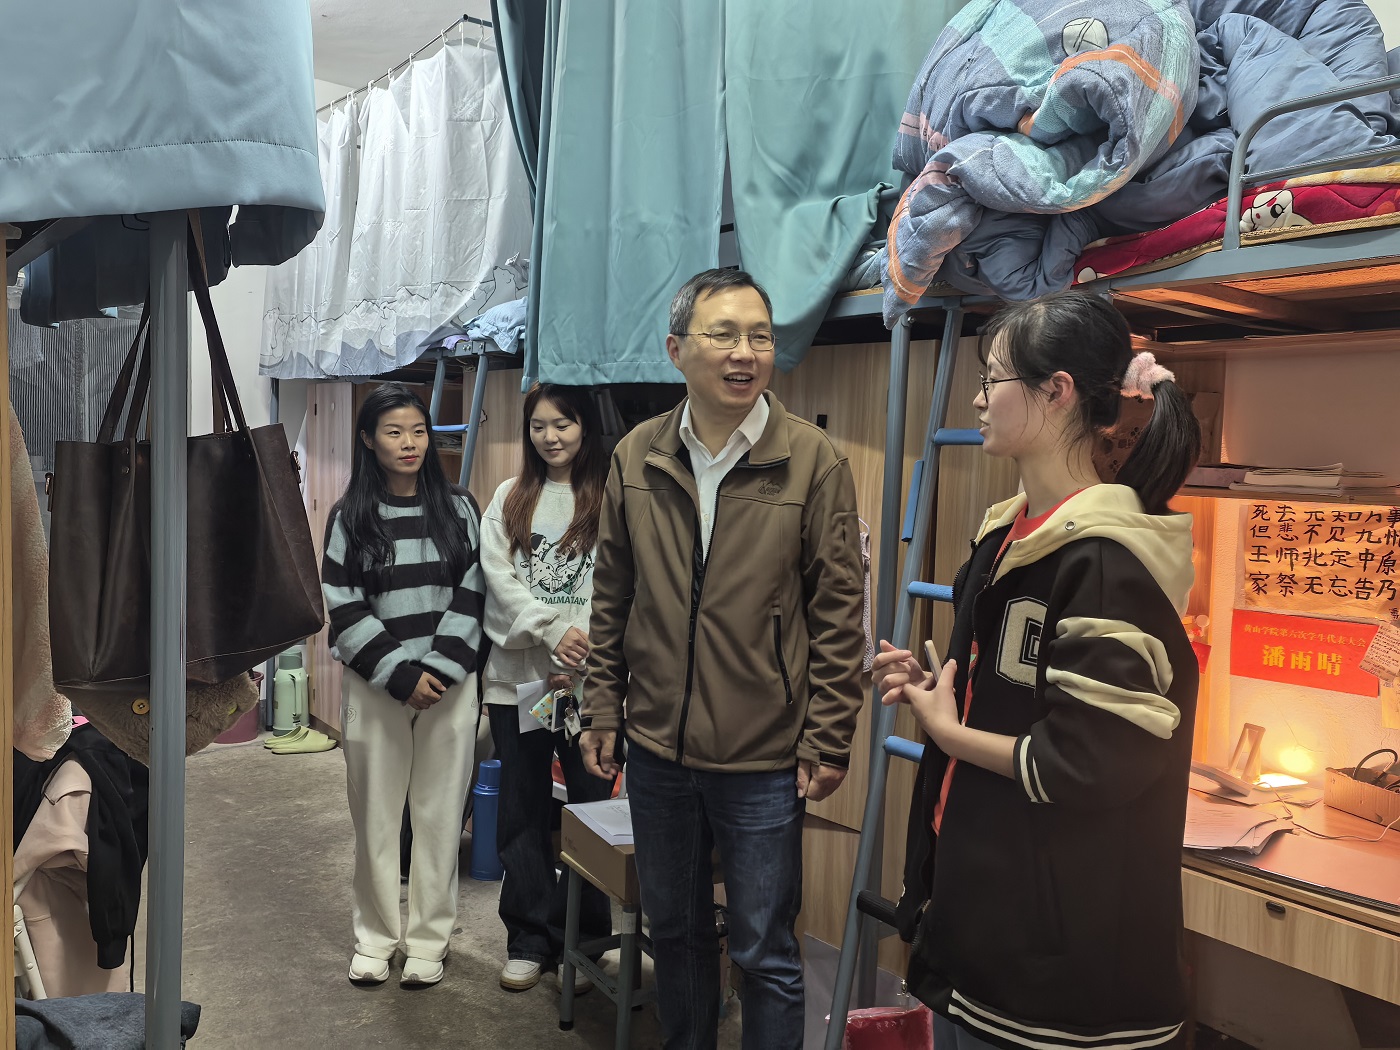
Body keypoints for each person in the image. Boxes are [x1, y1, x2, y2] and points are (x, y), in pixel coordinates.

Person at [875, 291, 1202, 1050]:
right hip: (979, 918)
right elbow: (1008, 698)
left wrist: (950, 734)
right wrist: (941, 694)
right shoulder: (1007, 534)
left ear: (1056, 391)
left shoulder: (1106, 561)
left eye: (992, 380)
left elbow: (1087, 763)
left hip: (1057, 970)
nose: (977, 400)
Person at [579, 268, 866, 1050]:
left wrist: (829, 736)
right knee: (674, 934)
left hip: (764, 756)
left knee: (764, 949)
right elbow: (613, 595)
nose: (746, 353)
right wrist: (601, 705)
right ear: (677, 350)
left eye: (760, 336)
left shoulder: (812, 461)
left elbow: (839, 614)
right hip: (658, 750)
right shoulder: (636, 456)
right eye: (724, 334)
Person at [321, 382, 486, 988]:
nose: (409, 443)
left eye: (418, 431)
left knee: (440, 816)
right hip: (376, 686)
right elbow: (342, 603)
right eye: (394, 432)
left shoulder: (460, 509)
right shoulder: (350, 516)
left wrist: (437, 670)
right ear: (369, 440)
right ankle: (374, 936)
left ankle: (428, 941)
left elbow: (476, 591)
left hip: (450, 685)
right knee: (375, 815)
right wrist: (400, 674)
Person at [480, 382, 615, 993]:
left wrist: (583, 646)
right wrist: (553, 630)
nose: (550, 436)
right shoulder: (510, 497)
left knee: (592, 810)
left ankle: (584, 942)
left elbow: (622, 581)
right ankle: (528, 939)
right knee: (522, 807)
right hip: (519, 682)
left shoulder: (611, 496)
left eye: (563, 423)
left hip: (591, 684)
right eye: (538, 425)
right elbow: (498, 578)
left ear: (585, 427)